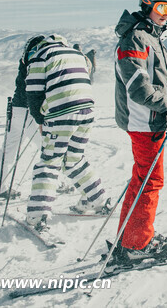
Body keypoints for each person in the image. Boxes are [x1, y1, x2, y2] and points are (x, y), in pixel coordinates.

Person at [110, 0, 167, 267]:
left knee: (142, 179)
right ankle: (136, 245)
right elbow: (138, 87)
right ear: (146, 5)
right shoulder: (136, 39)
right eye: (163, 8)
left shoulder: (149, 36)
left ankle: (130, 238)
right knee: (150, 182)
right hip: (145, 122)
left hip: (150, 120)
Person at [25, 35, 110, 230]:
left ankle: (38, 216)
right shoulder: (75, 53)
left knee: (50, 161)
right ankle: (98, 199)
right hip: (87, 111)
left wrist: (40, 120)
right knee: (73, 159)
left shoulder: (40, 55)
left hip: (61, 113)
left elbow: (34, 93)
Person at [0, 45, 39, 207]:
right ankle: (56, 186)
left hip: (16, 110)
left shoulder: (26, 58)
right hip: (28, 111)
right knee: (50, 149)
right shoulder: (37, 59)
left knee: (7, 151)